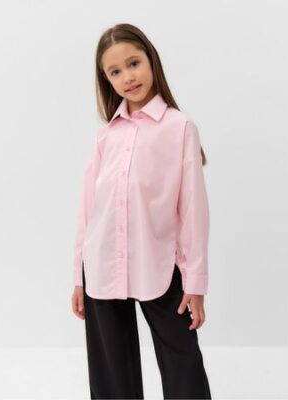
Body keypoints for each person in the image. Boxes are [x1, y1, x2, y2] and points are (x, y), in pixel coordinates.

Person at [71, 23, 212, 400]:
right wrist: (78, 276)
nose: (127, 77)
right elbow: (88, 211)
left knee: (182, 362)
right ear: (106, 79)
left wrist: (195, 282)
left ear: (151, 60)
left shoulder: (180, 128)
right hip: (101, 265)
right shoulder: (106, 136)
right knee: (111, 375)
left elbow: (193, 209)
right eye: (115, 71)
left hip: (160, 263)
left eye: (133, 63)